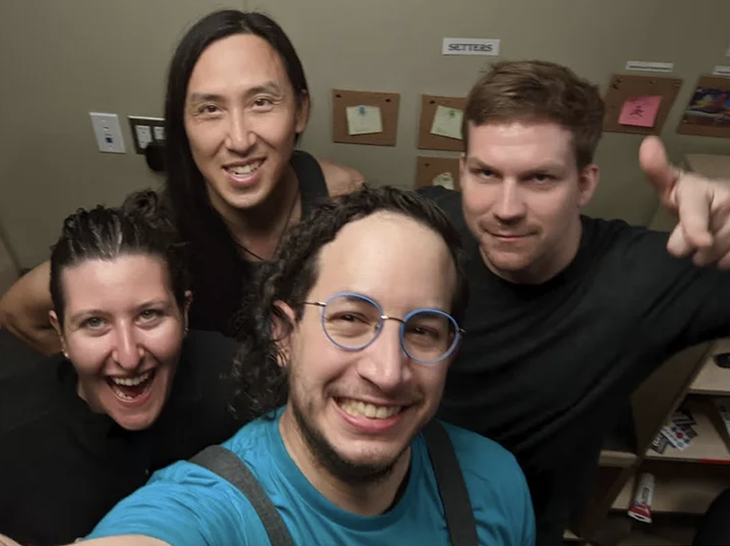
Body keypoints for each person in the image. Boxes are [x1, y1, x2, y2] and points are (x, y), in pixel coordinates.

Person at [2, 187, 535, 546]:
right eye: (350, 318)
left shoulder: (494, 481)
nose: (388, 370)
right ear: (283, 334)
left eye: (422, 330)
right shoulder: (207, 505)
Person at [420, 60, 730, 546]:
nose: (505, 208)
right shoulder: (424, 227)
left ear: (585, 184)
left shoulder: (644, 276)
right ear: (462, 171)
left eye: (539, 179)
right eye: (485, 173)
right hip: (399, 499)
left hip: (519, 523)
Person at [0, 9, 363, 354]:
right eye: (210, 109)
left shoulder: (345, 200)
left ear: (300, 111)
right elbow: (19, 312)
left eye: (261, 102)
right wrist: (115, 379)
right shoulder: (156, 231)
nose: (239, 140)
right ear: (182, 126)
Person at [0, 192, 244, 546]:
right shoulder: (11, 436)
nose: (129, 356)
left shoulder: (238, 379)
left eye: (149, 315)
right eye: (95, 322)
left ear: (185, 313)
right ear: (61, 335)